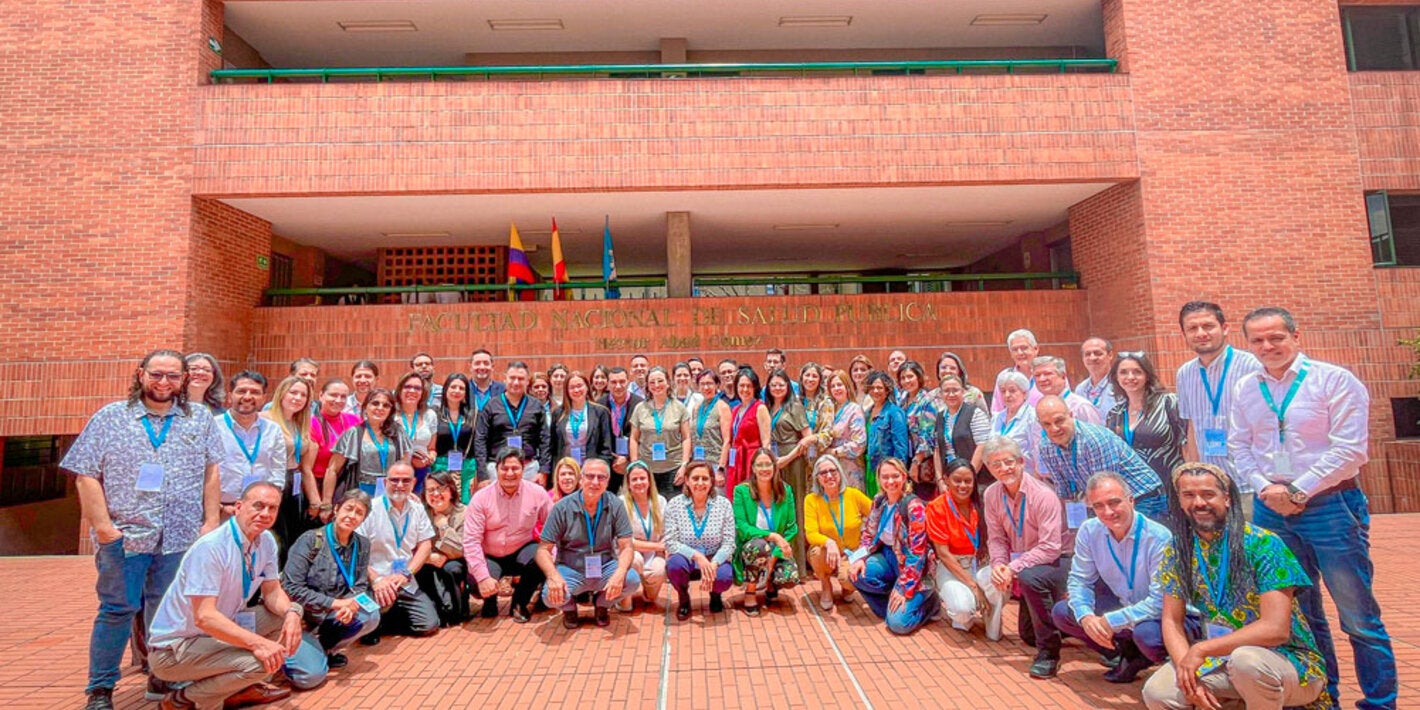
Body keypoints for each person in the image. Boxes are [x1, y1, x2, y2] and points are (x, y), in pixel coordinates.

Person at [1230, 306, 1395, 709]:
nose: (1268, 346)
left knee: (1357, 615)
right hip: (1271, 509)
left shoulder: (1334, 380)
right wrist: (1266, 487)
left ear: (1295, 336)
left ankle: (1380, 701)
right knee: (1300, 616)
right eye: (1258, 340)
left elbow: (1351, 450)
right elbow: (1239, 445)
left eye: (1276, 338)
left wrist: (1298, 491)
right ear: (1248, 344)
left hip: (1330, 505)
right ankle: (1324, 697)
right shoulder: (1246, 388)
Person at [65, 350, 223, 710]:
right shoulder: (111, 417)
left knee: (167, 611)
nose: (164, 382)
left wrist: (210, 521)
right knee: (117, 610)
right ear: (141, 375)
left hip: (180, 537)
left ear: (183, 379)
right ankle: (101, 689)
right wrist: (104, 527)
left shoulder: (198, 418)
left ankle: (162, 677)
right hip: (126, 537)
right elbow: (85, 473)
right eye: (157, 375)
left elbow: (212, 471)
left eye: (172, 376)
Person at [1141, 463, 1329, 710]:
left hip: (1289, 660)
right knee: (1159, 692)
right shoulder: (1178, 550)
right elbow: (1171, 621)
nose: (1199, 503)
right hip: (1221, 658)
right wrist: (1187, 671)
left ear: (1227, 498)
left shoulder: (1263, 544)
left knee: (1246, 661)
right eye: (1189, 495)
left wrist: (1202, 649)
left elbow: (1276, 629)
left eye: (1208, 494)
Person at [147, 482, 326, 710]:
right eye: (258, 506)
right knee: (263, 663)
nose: (265, 514)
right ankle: (184, 700)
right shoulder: (212, 547)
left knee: (280, 619)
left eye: (272, 508)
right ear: (239, 506)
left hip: (219, 630)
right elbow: (204, 617)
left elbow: (272, 592)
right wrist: (259, 644)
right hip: (177, 648)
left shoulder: (266, 541)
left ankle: (234, 687)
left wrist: (292, 612)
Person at [1051, 472, 1183, 684]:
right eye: (1099, 506)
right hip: (1123, 604)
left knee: (1147, 636)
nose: (1108, 512)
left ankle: (1165, 667)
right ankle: (1125, 652)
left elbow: (1160, 603)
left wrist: (1110, 621)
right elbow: (1079, 581)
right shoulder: (1089, 530)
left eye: (1114, 502)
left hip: (1157, 615)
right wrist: (1087, 618)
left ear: (1131, 500)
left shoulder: (1159, 538)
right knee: (1063, 612)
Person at [980, 436, 1069, 679]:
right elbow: (996, 538)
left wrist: (1013, 567)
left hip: (1059, 560)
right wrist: (999, 565)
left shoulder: (1043, 495)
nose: (1004, 468)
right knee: (1027, 635)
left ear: (1021, 462)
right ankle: (1065, 624)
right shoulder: (991, 495)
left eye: (1009, 462)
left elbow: (1051, 547)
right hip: (1025, 563)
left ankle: (1049, 653)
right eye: (996, 464)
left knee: (1029, 577)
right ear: (988, 468)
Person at [1175, 301, 1263, 518]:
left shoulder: (1253, 366)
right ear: (1184, 334)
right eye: (1192, 328)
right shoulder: (1185, 374)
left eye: (1208, 326)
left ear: (1224, 328)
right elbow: (1192, 427)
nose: (1201, 333)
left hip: (1250, 486)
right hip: (1210, 490)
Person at [281, 490, 381, 670]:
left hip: (335, 612)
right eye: (348, 509)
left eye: (359, 513)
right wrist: (335, 603)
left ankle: (327, 649)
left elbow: (358, 585)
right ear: (336, 509)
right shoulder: (310, 540)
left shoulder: (362, 544)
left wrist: (351, 607)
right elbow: (291, 587)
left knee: (371, 615)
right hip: (303, 614)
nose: (352, 516)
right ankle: (303, 649)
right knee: (310, 676)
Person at [536, 458, 641, 628]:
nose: (595, 482)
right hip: (571, 568)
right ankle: (569, 608)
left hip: (605, 566)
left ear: (608, 481)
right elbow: (543, 550)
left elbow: (627, 546)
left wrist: (620, 572)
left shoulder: (616, 505)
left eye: (601, 477)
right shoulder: (561, 508)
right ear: (581, 479)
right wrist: (553, 576)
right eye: (590, 476)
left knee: (632, 580)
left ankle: (602, 605)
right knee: (549, 596)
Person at [1034, 395, 1168, 523]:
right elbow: (1065, 492)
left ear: (1070, 415)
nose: (1054, 428)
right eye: (1047, 424)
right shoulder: (1046, 447)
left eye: (1059, 421)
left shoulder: (1094, 440)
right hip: (1104, 502)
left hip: (1143, 496)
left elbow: (1107, 488)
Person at [462, 448, 553, 622]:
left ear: (523, 469)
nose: (509, 473)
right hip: (490, 555)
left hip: (522, 550)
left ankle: (520, 602)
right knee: (475, 580)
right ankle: (490, 600)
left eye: (515, 468)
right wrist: (482, 578)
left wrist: (552, 561)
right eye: (504, 469)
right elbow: (471, 541)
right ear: (496, 469)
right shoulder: (481, 498)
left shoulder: (537, 493)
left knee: (542, 558)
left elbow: (553, 529)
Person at [848, 457, 936, 635]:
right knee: (856, 574)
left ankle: (931, 604)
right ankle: (890, 606)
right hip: (888, 556)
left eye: (895, 476)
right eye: (885, 477)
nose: (890, 481)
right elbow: (869, 534)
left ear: (904, 477)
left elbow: (917, 553)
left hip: (913, 566)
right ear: (878, 479)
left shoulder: (913, 506)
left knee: (898, 625)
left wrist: (905, 587)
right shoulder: (879, 501)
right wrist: (860, 558)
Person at [354, 462, 438, 642]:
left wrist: (407, 573)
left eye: (406, 481)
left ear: (414, 483)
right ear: (385, 482)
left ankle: (384, 621)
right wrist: (376, 579)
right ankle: (375, 619)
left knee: (428, 625)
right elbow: (357, 551)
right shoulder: (370, 510)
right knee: (367, 625)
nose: (400, 485)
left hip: (405, 580)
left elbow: (425, 545)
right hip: (377, 582)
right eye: (395, 480)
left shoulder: (417, 509)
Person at [1107, 352, 1186, 518]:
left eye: (1137, 371)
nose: (1130, 377)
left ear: (1147, 375)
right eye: (1123, 372)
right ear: (1116, 377)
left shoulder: (1169, 403)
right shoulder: (1115, 414)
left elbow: (1186, 444)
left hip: (1168, 490)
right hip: (1134, 494)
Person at [926, 457, 995, 637]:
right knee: (963, 611)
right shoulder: (936, 507)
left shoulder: (982, 503)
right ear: (946, 480)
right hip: (952, 567)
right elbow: (943, 554)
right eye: (957, 480)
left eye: (968, 481)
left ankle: (993, 623)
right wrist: (973, 586)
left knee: (998, 582)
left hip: (980, 563)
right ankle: (965, 609)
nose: (963, 486)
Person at [663, 461, 737, 620]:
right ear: (687, 480)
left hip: (713, 557)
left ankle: (716, 595)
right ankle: (684, 598)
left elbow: (729, 542)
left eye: (705, 478)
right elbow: (670, 541)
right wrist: (697, 556)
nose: (700, 483)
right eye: (695, 478)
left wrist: (714, 563)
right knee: (674, 565)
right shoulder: (674, 505)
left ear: (712, 481)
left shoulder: (723, 504)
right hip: (687, 558)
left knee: (724, 577)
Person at [732, 448, 800, 615]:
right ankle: (750, 591)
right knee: (759, 546)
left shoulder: (786, 490)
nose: (764, 469)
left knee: (790, 576)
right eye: (759, 465)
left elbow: (792, 528)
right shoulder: (741, 491)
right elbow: (741, 527)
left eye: (768, 464)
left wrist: (775, 555)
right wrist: (773, 536)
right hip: (752, 547)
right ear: (753, 468)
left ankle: (770, 581)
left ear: (774, 466)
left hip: (776, 550)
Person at [803, 454, 873, 611]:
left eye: (833, 471)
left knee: (848, 579)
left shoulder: (853, 495)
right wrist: (829, 542)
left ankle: (847, 587)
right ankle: (826, 585)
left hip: (851, 552)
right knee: (815, 553)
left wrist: (866, 543)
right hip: (827, 552)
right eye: (823, 473)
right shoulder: (811, 500)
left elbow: (876, 514)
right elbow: (811, 533)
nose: (829, 476)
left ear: (840, 473)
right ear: (817, 478)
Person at [214, 371, 288, 520]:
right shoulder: (212, 426)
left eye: (255, 392)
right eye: (241, 391)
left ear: (264, 398)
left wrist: (268, 503)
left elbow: (278, 471)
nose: (247, 397)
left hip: (259, 512)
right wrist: (219, 507)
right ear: (230, 396)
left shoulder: (273, 430)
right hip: (220, 510)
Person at [263, 375, 318, 559]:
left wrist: (315, 500)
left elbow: (306, 467)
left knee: (292, 537)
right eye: (293, 392)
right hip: (272, 482)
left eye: (303, 395)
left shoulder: (300, 423)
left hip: (294, 484)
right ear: (281, 394)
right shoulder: (265, 419)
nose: (297, 398)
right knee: (276, 537)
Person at [474, 361, 552, 487]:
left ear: (527, 382)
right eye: (512, 378)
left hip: (529, 468)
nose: (516, 382)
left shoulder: (536, 406)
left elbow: (545, 440)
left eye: (521, 379)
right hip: (498, 468)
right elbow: (480, 440)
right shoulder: (491, 406)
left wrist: (544, 471)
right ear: (505, 379)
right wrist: (482, 475)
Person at [764, 368, 813, 566]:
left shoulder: (795, 406)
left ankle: (798, 564)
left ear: (788, 387)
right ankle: (778, 560)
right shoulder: (767, 407)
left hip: (793, 462)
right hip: (774, 462)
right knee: (777, 509)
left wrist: (787, 458)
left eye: (781, 385)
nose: (777, 388)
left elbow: (807, 437)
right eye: (773, 384)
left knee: (795, 509)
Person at [325, 389, 410, 500]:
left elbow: (403, 469)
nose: (380, 408)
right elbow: (332, 470)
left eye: (386, 405)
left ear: (391, 410)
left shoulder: (398, 433)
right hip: (360, 493)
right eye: (375, 403)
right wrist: (326, 503)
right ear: (365, 407)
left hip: (391, 494)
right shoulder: (353, 434)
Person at [415, 470, 468, 627]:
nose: (436, 494)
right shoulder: (421, 513)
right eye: (430, 490)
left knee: (451, 569)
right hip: (428, 560)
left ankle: (456, 610)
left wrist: (444, 526)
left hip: (455, 561)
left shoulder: (464, 512)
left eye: (441, 488)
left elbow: (461, 548)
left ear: (451, 490)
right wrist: (429, 557)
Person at [629, 367, 691, 495]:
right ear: (647, 385)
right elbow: (634, 439)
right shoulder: (640, 408)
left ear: (668, 383)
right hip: (647, 469)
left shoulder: (679, 407)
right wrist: (635, 465)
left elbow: (686, 438)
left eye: (660, 381)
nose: (656, 385)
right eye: (652, 382)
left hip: (674, 468)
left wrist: (684, 465)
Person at [309, 379, 361, 523]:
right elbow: (307, 468)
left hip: (347, 483)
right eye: (333, 395)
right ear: (321, 395)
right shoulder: (312, 423)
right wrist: (322, 502)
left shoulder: (354, 421)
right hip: (318, 486)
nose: (338, 400)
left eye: (343, 396)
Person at [620, 461, 668, 611]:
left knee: (660, 570)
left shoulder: (660, 501)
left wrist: (662, 547)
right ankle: (623, 599)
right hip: (629, 553)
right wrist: (658, 546)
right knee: (635, 560)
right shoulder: (620, 504)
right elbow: (625, 541)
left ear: (649, 481)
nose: (639, 482)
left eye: (642, 478)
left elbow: (667, 533)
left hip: (654, 553)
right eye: (634, 479)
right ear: (628, 484)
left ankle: (648, 594)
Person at [931, 374, 992, 488]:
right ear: (941, 394)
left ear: (963, 391)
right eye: (946, 391)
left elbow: (982, 446)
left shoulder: (975, 413)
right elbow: (938, 450)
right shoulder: (940, 416)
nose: (951, 394)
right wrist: (940, 481)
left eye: (955, 390)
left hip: (975, 481)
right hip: (950, 479)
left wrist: (968, 478)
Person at [552, 371, 614, 476]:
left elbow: (606, 447)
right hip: (566, 471)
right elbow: (553, 446)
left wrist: (600, 471)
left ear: (587, 387)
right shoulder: (558, 413)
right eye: (571, 387)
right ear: (566, 390)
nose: (576, 390)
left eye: (579, 386)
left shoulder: (600, 412)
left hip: (591, 470)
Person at [819, 369, 868, 491]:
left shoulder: (854, 409)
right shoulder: (828, 409)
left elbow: (859, 444)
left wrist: (834, 452)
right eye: (833, 386)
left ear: (847, 386)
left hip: (850, 469)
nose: (836, 388)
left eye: (839, 384)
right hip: (830, 469)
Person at [863, 370, 909, 498]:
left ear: (887, 390)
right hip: (870, 470)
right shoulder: (867, 413)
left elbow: (901, 447)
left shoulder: (894, 413)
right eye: (872, 388)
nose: (876, 391)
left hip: (887, 471)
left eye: (879, 388)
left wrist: (896, 473)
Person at [897, 361, 939, 498]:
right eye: (903, 378)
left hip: (921, 462)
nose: (906, 381)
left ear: (918, 377)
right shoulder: (901, 400)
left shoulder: (927, 401)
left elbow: (928, 435)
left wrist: (916, 462)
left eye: (910, 376)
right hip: (905, 459)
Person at [433, 373, 478, 503]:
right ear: (446, 389)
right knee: (442, 503)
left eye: (461, 388)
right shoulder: (434, 413)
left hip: (467, 468)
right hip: (440, 467)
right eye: (453, 387)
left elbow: (478, 444)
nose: (457, 391)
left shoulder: (473, 415)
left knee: (466, 505)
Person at [724, 369, 771, 491]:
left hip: (752, 458)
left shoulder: (760, 408)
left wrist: (763, 464)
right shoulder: (735, 409)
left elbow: (766, 441)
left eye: (749, 386)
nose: (745, 390)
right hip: (736, 459)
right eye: (741, 386)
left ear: (755, 388)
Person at [393, 371, 438, 491]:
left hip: (422, 473)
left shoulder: (430, 415)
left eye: (417, 388)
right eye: (407, 387)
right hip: (396, 473)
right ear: (400, 389)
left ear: (423, 393)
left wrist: (430, 458)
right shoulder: (391, 414)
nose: (412, 391)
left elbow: (432, 449)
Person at [602, 366, 645, 492]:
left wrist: (627, 459)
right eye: (614, 382)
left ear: (628, 381)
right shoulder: (599, 405)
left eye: (622, 381)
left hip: (632, 461)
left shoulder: (640, 404)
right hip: (608, 464)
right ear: (608, 384)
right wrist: (612, 459)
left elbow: (643, 436)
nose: (618, 386)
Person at [989, 370, 1039, 476]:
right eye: (1003, 391)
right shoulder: (997, 417)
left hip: (1027, 477)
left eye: (1012, 391)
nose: (1007, 395)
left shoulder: (1033, 417)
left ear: (1025, 393)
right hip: (1001, 476)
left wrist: (1036, 480)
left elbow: (1038, 452)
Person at [688, 369, 733, 484]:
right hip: (697, 463)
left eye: (709, 383)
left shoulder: (722, 407)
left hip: (715, 464)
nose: (706, 387)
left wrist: (721, 468)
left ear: (717, 385)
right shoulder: (696, 408)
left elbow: (727, 440)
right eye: (702, 384)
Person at [1034, 355, 1101, 425]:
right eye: (1037, 375)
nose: (1041, 379)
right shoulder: (1039, 408)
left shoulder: (1081, 407)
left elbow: (1096, 434)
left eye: (1048, 374)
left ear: (1063, 376)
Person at [991, 329, 1043, 414]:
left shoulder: (1049, 374)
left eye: (1024, 348)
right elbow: (997, 410)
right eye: (1015, 349)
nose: (1020, 353)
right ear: (1011, 354)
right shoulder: (1004, 377)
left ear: (1036, 349)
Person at [1076, 337, 1120, 422]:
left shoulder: (1120, 385)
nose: (1092, 358)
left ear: (1110, 355)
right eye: (1087, 354)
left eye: (1098, 353)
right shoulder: (1080, 389)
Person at [798, 362, 835, 454]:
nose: (810, 379)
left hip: (817, 456)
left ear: (820, 380)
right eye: (807, 375)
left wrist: (812, 439)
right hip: (796, 455)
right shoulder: (795, 401)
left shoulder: (826, 403)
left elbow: (828, 433)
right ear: (801, 378)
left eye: (814, 376)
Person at [467, 349, 506, 417]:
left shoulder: (504, 390)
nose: (482, 367)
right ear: (470, 367)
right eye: (477, 363)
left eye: (486, 363)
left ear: (492, 367)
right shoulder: (463, 389)